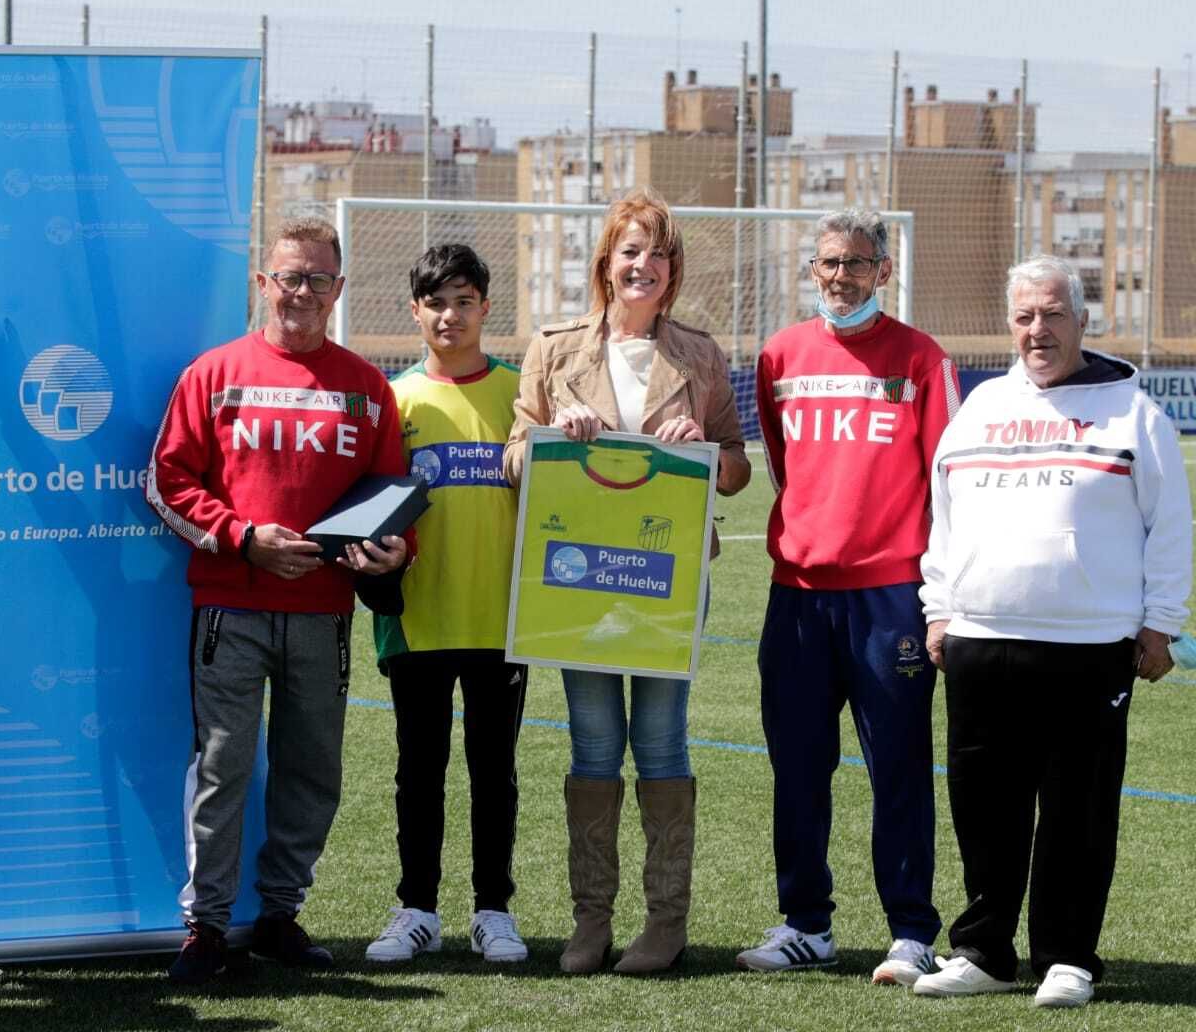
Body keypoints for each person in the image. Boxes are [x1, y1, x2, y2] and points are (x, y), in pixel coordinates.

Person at [911, 255, 1190, 1008]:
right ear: (1012, 325)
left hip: (1091, 645)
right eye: (1026, 317)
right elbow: (943, 514)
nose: (1039, 331)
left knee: (1079, 806)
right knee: (983, 806)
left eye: (1054, 315)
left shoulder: (1135, 412)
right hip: (979, 637)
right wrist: (939, 607)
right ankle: (983, 951)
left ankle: (1068, 956)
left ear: (1081, 321)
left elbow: (1171, 527)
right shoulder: (981, 406)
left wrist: (1162, 624)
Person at [147, 216, 412, 986]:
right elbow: (166, 482)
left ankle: (279, 913)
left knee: (312, 768)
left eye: (317, 279)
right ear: (263, 284)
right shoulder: (214, 372)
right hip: (231, 606)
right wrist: (243, 539)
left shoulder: (366, 387)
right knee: (225, 765)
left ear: (338, 289)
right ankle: (206, 927)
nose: (301, 292)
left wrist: (393, 550)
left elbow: (390, 499)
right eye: (288, 277)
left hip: (325, 612)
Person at [504, 187, 751, 975]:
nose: (643, 264)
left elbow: (739, 467)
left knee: (660, 736)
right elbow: (511, 460)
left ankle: (664, 924)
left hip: (668, 575)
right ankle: (590, 922)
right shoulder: (553, 349)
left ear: (673, 271)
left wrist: (700, 447)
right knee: (594, 740)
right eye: (630, 250)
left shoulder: (701, 355)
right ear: (607, 263)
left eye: (658, 253)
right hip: (577, 578)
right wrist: (552, 437)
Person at [739, 208, 958, 984]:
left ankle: (911, 930)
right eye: (829, 263)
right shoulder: (779, 356)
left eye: (857, 264)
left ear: (883, 273)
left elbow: (948, 483)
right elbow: (781, 464)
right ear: (814, 270)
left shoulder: (921, 358)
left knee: (897, 765)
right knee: (797, 766)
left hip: (889, 596)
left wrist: (938, 596)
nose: (841, 277)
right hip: (797, 593)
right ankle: (806, 924)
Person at [364, 245, 528, 964]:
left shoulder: (524, 396)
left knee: (495, 771)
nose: (450, 314)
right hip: (418, 618)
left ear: (486, 308)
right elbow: (370, 509)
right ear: (416, 312)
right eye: (436, 302)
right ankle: (417, 907)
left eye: (464, 300)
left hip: (502, 619)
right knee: (418, 770)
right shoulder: (393, 401)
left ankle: (493, 909)